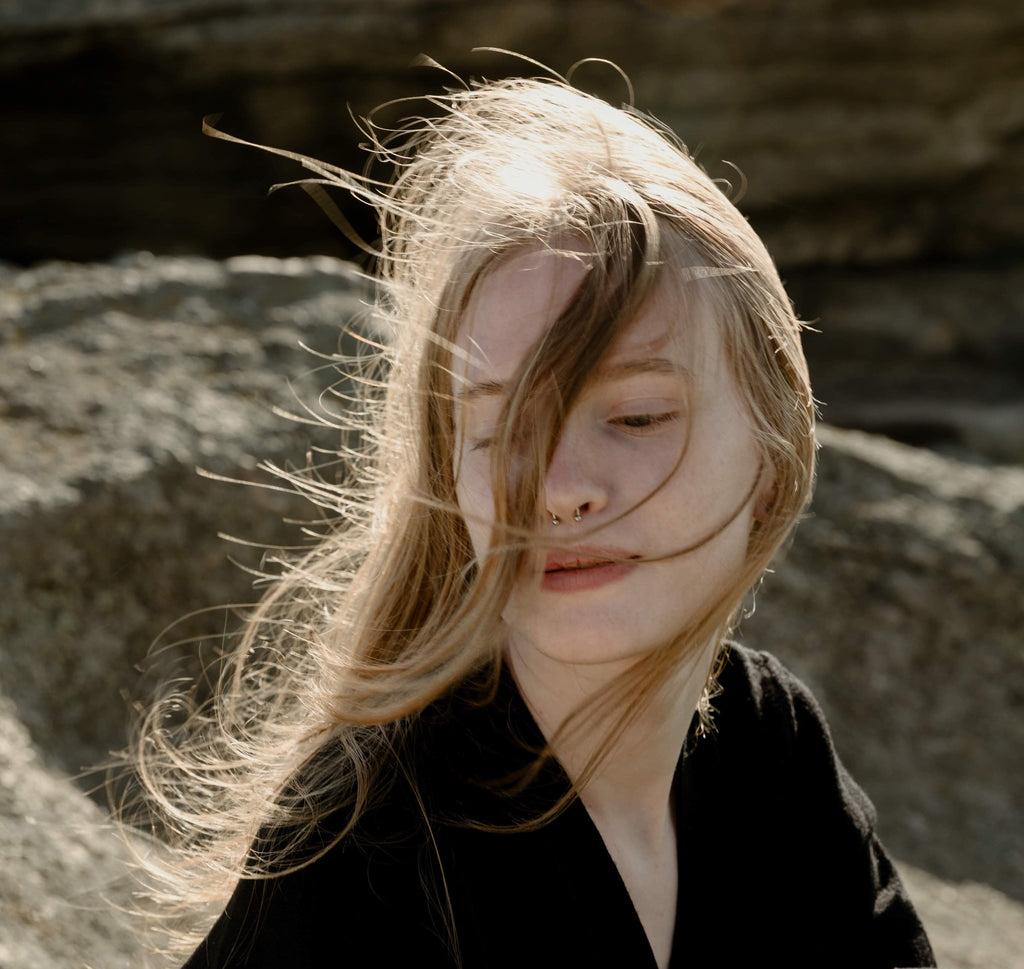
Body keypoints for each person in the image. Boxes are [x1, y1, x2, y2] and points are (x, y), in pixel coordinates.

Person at [128, 67, 935, 969]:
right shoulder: (365, 848)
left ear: (776, 446)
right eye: (502, 430)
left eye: (636, 416)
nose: (558, 489)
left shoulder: (770, 744)